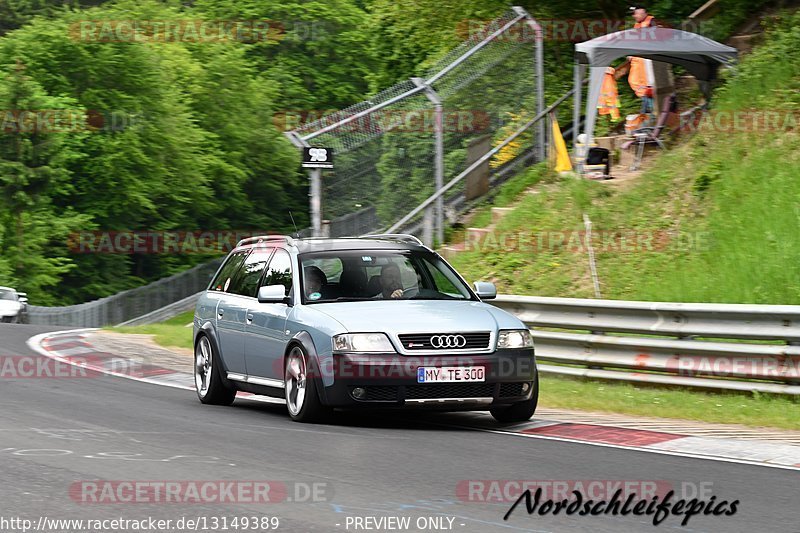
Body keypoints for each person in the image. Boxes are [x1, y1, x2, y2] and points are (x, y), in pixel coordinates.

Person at [628, 6, 657, 113]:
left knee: (650, 83)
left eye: (636, 13)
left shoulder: (651, 22)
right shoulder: (637, 25)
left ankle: (649, 110)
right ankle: (648, 109)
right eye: (634, 14)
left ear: (643, 13)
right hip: (640, 58)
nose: (634, 16)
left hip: (649, 57)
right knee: (636, 82)